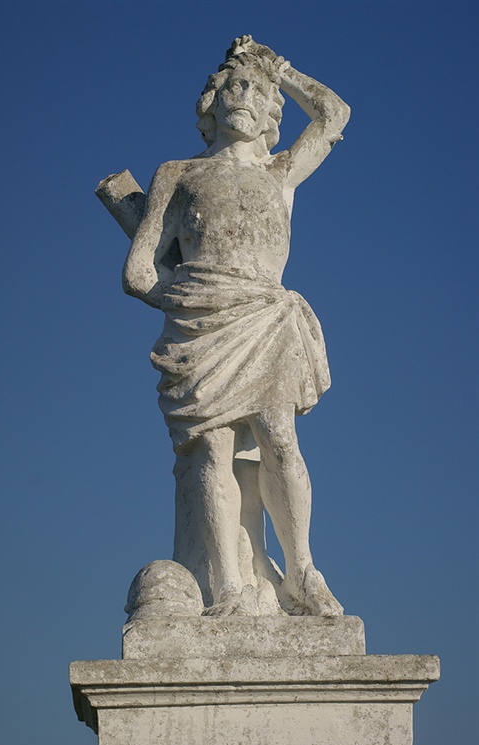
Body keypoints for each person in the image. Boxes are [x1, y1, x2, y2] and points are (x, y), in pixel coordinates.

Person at [123, 36, 351, 615]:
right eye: (234, 85)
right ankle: (230, 587)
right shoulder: (178, 174)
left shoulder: (281, 173)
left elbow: (334, 115)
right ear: (213, 99)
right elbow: (139, 271)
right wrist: (189, 302)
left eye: (256, 89)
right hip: (201, 329)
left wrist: (281, 69)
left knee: (280, 438)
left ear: (272, 108)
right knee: (212, 450)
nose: (244, 95)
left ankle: (302, 572)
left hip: (266, 320)